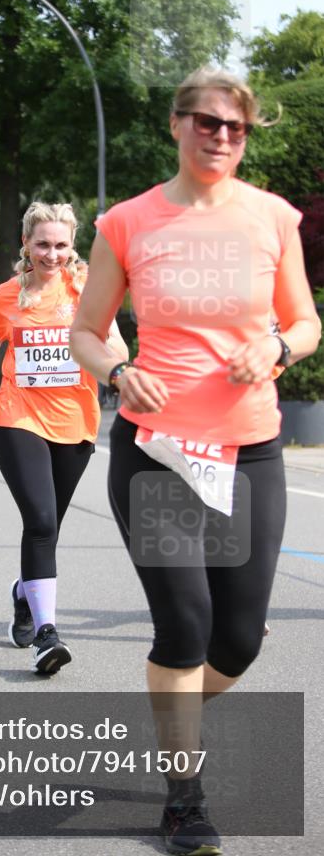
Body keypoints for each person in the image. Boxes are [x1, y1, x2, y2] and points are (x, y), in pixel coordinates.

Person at [70, 67, 321, 855]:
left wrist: (276, 346)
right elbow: (85, 330)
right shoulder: (128, 222)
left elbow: (305, 321)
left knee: (237, 640)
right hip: (157, 450)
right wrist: (115, 370)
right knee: (184, 624)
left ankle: (172, 712)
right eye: (205, 123)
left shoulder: (271, 218)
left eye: (235, 128)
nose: (220, 138)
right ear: (175, 125)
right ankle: (184, 798)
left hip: (249, 450)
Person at [0, 201, 128, 674]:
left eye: (61, 244)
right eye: (42, 243)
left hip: (76, 421)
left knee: (50, 526)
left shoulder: (87, 291)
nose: (52, 253)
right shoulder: (6, 296)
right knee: (40, 522)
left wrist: (111, 361)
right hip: (16, 417)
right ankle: (47, 635)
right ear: (26, 243)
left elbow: (118, 347)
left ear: (72, 245)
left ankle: (24, 593)